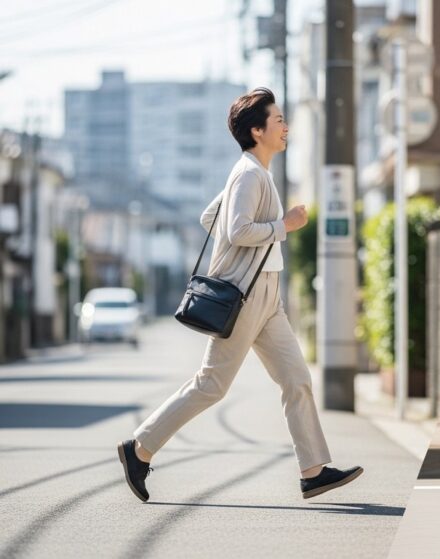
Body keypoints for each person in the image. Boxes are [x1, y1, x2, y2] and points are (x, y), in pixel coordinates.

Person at [117, 87, 362, 502]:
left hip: (269, 296)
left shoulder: (254, 173)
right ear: (257, 130)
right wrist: (285, 225)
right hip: (246, 295)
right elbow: (236, 230)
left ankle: (313, 471)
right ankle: (138, 449)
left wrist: (253, 230)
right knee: (212, 384)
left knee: (296, 379)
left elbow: (210, 216)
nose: (286, 127)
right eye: (279, 120)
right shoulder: (249, 173)